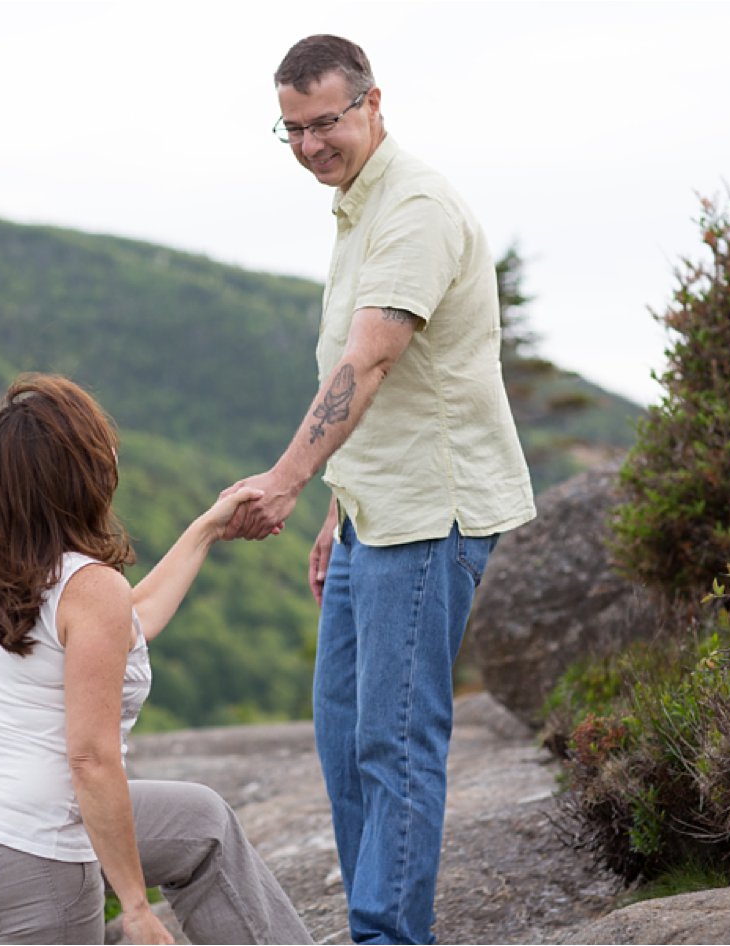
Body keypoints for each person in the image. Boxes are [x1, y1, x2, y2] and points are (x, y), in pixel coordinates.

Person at [221, 35, 536, 945]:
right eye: (293, 129)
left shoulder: (417, 207)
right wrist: (334, 508)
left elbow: (370, 361)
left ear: (372, 104)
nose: (313, 143)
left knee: (395, 746)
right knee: (344, 742)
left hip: (430, 516)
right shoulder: (357, 207)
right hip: (373, 513)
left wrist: (285, 482)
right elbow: (377, 390)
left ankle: (388, 937)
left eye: (327, 121)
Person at [0, 374, 313, 945]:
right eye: (100, 443)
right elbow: (90, 759)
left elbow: (132, 620)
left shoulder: (10, 568)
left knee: (200, 824)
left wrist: (208, 527)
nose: (113, 451)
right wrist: (135, 905)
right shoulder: (89, 588)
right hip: (33, 845)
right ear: (80, 471)